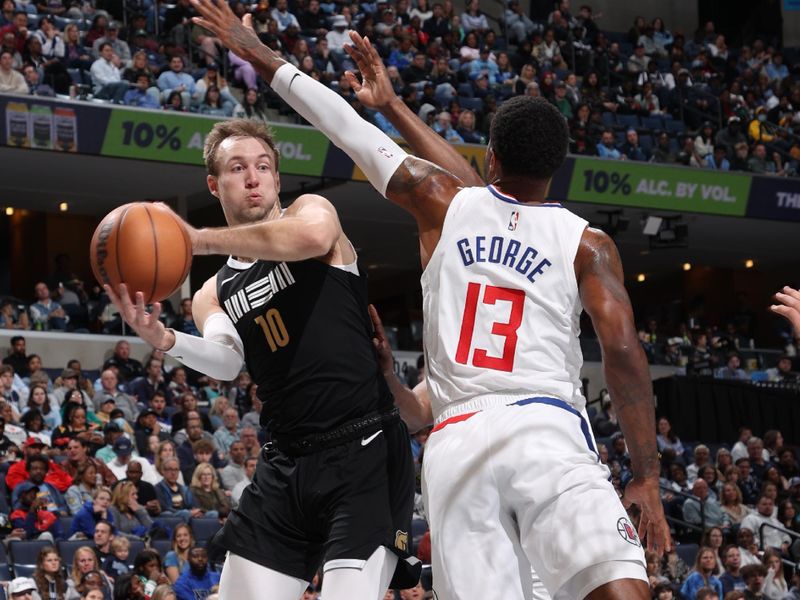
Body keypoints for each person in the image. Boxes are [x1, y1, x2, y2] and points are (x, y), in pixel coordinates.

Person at [187, 10, 670, 599]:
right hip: (545, 427)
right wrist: (646, 474)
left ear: (490, 156)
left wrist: (264, 55)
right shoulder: (588, 245)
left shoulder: (447, 206)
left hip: (456, 441)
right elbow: (620, 350)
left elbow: (344, 125)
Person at [104, 55, 418, 600]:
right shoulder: (210, 292)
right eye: (237, 167)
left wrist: (194, 239)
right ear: (215, 181)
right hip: (286, 462)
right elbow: (228, 361)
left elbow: (309, 242)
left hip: (362, 448)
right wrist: (168, 340)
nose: (253, 177)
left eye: (264, 165)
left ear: (277, 176)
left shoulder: (312, 212)